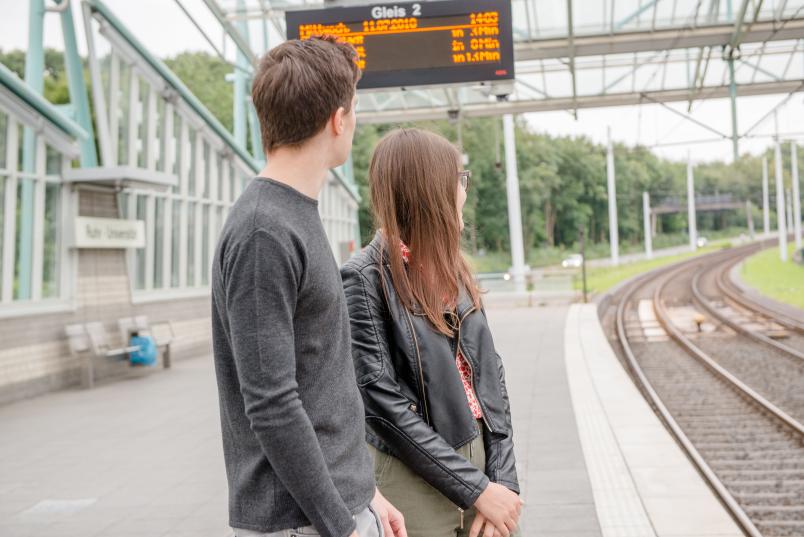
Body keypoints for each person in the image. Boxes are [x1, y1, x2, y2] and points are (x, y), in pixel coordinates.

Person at [211, 36, 406, 537]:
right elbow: (271, 403)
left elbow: (321, 380)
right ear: (338, 119)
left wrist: (367, 492)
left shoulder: (292, 214)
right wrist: (341, 524)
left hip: (334, 508)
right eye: (355, 109)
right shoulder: (264, 231)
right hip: (301, 522)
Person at [341, 128, 522, 537]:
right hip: (411, 480)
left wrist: (504, 483)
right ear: (431, 188)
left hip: (482, 469)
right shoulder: (363, 279)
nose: (464, 189)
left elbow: (491, 378)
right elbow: (382, 405)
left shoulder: (454, 270)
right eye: (460, 179)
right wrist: (478, 489)